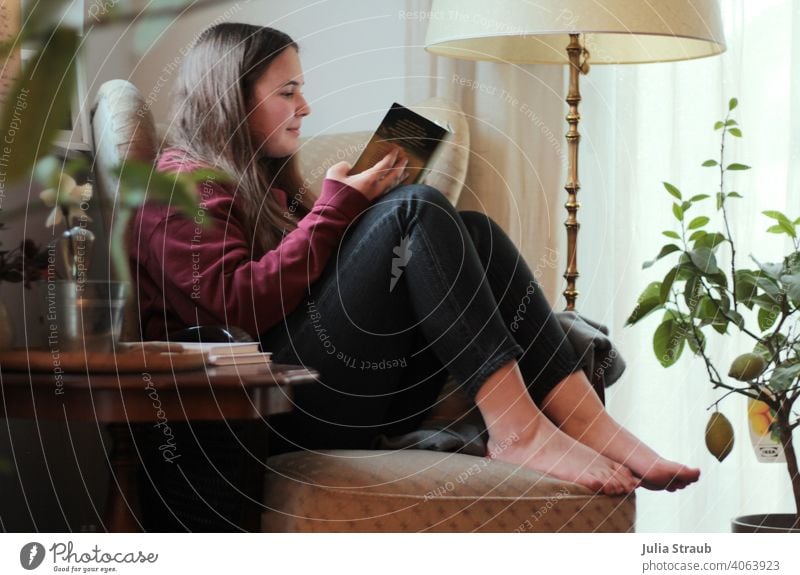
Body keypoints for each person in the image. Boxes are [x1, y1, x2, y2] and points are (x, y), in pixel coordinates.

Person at [131, 22, 700, 501]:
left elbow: (312, 291)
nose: (305, 107)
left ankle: (588, 424)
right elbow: (239, 308)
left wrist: (352, 217)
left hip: (353, 390)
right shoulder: (176, 189)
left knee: (469, 229)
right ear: (231, 96)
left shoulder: (266, 185)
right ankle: (518, 430)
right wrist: (337, 211)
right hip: (273, 410)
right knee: (416, 209)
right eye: (287, 92)